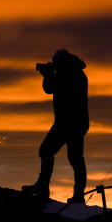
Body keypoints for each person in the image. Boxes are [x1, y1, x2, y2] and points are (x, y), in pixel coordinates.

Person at [22, 49, 89, 204]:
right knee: (75, 158)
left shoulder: (69, 74)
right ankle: (76, 194)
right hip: (74, 122)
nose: (55, 67)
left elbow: (50, 88)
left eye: (56, 64)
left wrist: (48, 75)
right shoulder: (76, 72)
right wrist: (51, 74)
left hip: (68, 122)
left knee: (48, 151)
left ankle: (44, 188)